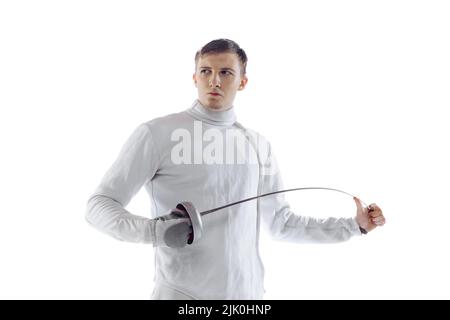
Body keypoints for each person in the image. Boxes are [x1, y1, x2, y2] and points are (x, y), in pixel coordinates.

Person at [85, 38, 386, 300]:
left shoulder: (258, 145)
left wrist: (354, 226)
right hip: (181, 295)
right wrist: (153, 232)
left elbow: (281, 223)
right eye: (206, 71)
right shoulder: (157, 133)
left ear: (243, 82)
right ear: (194, 77)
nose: (214, 81)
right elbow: (99, 205)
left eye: (225, 73)